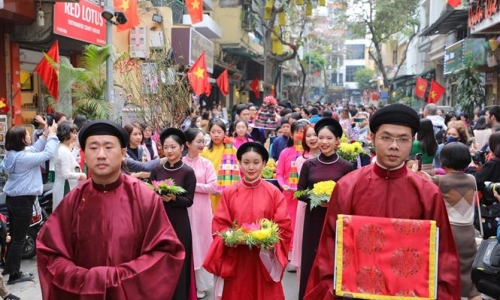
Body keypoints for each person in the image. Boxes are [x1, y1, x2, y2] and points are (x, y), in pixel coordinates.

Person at [304, 104, 461, 300]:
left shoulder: (427, 192)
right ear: (372, 137)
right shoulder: (347, 187)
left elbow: (443, 256)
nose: (394, 146)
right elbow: (329, 250)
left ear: (412, 141)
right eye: (386, 137)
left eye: (403, 139)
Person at [37, 120, 185, 299]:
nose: (100, 155)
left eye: (108, 147)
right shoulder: (73, 201)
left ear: (123, 153)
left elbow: (166, 253)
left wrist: (117, 278)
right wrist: (85, 279)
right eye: (93, 148)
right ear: (83, 153)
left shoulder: (145, 198)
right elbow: (49, 251)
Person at [203, 142, 292, 299]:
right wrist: (231, 237)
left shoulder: (274, 192)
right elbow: (220, 224)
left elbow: (283, 224)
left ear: (264, 164)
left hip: (264, 257)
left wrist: (269, 239)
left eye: (256, 162)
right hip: (237, 257)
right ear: (239, 163)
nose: (251, 167)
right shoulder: (229, 192)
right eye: (246, 162)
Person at [297, 117, 353, 299]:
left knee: (333, 260)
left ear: (337, 141)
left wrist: (333, 200)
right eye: (321, 138)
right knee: (311, 259)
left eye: (329, 138)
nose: (324, 142)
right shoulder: (308, 165)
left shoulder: (346, 167)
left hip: (336, 222)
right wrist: (316, 197)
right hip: (313, 219)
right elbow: (300, 192)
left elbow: (351, 195)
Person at [1, 122, 58, 284]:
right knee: (19, 238)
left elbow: (34, 149)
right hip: (22, 201)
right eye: (26, 134)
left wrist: (46, 134)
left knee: (13, 236)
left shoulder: (13, 154)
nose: (29, 135)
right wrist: (53, 135)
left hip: (14, 199)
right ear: (21, 139)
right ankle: (14, 275)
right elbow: (46, 154)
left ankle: (9, 268)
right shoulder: (23, 158)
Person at [425, 143, 481, 300]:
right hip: (469, 234)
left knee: (447, 272)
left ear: (443, 160)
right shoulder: (471, 179)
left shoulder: (440, 181)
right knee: (470, 277)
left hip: (449, 233)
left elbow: (426, 182)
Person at [150, 128, 196, 300]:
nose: (169, 151)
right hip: (159, 221)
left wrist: (173, 199)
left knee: (180, 261)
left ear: (182, 147)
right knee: (160, 260)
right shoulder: (157, 170)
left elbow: (189, 200)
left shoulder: (188, 172)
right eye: (166, 147)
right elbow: (150, 192)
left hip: (179, 222)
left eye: (173, 147)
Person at [182, 128, 217, 298]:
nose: (202, 144)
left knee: (202, 243)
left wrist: (191, 187)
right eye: (198, 141)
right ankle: (187, 282)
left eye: (203, 141)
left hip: (202, 210)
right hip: (185, 209)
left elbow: (213, 186)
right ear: (187, 144)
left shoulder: (206, 164)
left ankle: (201, 285)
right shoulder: (180, 163)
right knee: (188, 242)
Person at [290, 124, 318, 275]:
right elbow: (305, 186)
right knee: (304, 245)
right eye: (309, 136)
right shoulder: (302, 161)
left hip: (326, 206)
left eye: (315, 135)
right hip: (306, 203)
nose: (312, 138)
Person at [201, 119, 235, 211]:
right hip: (209, 191)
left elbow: (235, 172)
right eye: (213, 132)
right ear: (209, 133)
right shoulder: (204, 151)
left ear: (224, 133)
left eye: (219, 132)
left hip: (225, 191)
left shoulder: (231, 150)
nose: (216, 135)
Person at [53, 121, 87, 211]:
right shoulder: (63, 151)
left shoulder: (62, 147)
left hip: (63, 185)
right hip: (65, 187)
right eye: (73, 133)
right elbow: (66, 174)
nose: (75, 135)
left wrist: (75, 148)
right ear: (66, 134)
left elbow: (71, 161)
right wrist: (80, 175)